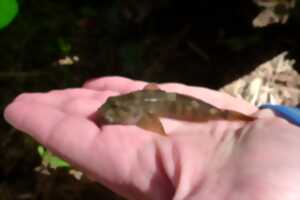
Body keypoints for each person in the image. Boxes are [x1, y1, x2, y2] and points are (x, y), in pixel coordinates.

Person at [4, 76, 300, 200]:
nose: (108, 113)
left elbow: (152, 115)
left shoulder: (145, 116)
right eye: (111, 110)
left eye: (114, 110)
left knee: (214, 112)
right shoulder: (136, 106)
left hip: (191, 109)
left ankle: (232, 116)